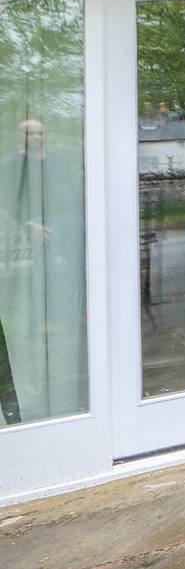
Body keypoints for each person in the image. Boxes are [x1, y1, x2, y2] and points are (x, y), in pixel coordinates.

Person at [0, 117, 87, 426]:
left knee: (71, 277)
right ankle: (43, 321)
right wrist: (29, 225)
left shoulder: (60, 161)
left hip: (69, 227)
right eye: (28, 132)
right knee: (42, 279)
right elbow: (8, 201)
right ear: (19, 135)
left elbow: (73, 192)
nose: (34, 137)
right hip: (41, 230)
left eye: (39, 132)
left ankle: (70, 316)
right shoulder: (13, 165)